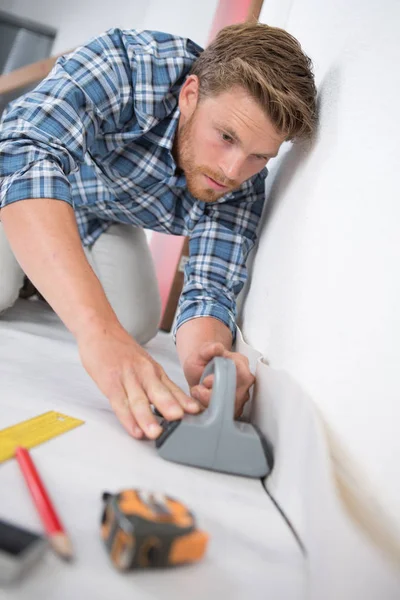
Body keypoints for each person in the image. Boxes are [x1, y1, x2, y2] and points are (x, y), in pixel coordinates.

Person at [0, 22, 317, 440]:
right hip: (22, 188)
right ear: (190, 95)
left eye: (259, 157)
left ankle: (45, 272)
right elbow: (25, 154)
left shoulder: (243, 187)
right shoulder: (128, 66)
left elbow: (209, 289)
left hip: (102, 215)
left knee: (133, 326)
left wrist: (205, 366)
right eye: (225, 137)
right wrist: (97, 332)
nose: (232, 171)